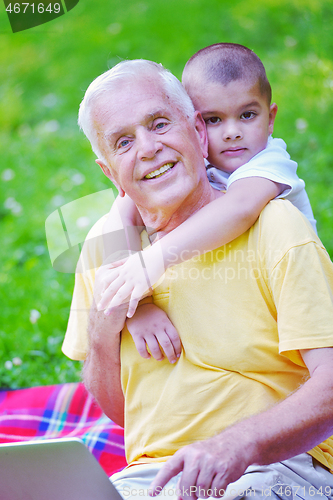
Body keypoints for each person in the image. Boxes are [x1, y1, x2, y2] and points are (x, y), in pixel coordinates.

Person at [62, 59, 333, 499]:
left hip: (275, 466)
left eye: (159, 123)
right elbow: (123, 413)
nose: (148, 148)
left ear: (197, 131)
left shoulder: (273, 223)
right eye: (124, 142)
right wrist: (103, 326)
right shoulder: (108, 249)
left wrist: (235, 446)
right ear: (110, 172)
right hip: (155, 480)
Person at [97, 44, 317, 364]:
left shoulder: (269, 163)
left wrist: (153, 261)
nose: (231, 133)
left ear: (270, 119)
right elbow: (122, 212)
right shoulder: (194, 166)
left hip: (294, 299)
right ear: (195, 125)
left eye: (247, 115)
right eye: (214, 120)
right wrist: (139, 302)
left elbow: (240, 208)